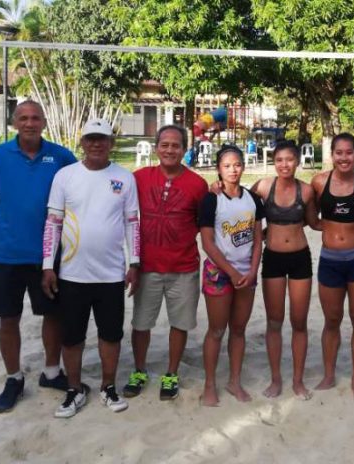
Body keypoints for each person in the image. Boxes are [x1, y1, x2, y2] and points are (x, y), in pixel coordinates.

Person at [0, 100, 76, 413]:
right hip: (6, 254)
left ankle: (51, 371)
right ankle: (14, 378)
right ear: (14, 123)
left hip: (49, 255)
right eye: (23, 118)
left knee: (53, 315)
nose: (30, 123)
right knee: (9, 319)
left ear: (44, 121)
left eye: (35, 118)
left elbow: (81, 195)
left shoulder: (60, 157)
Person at [42, 119, 140, 418]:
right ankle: (73, 390)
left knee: (111, 335)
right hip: (72, 274)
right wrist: (48, 266)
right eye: (90, 139)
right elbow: (53, 223)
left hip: (111, 274)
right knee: (72, 337)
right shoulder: (64, 176)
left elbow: (132, 223)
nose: (96, 144)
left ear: (111, 143)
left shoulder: (124, 178)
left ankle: (108, 387)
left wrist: (134, 262)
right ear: (82, 143)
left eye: (103, 139)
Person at [122, 125, 208, 400]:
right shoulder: (138, 178)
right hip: (147, 267)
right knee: (141, 323)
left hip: (183, 267)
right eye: (165, 145)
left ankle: (171, 372)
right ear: (156, 147)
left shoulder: (197, 184)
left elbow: (200, 222)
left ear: (184, 149)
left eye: (176, 145)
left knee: (179, 323)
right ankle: (139, 369)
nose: (170, 150)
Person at [250, 140, 319, 400]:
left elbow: (314, 222)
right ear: (273, 162)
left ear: (298, 162)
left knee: (299, 322)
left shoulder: (307, 190)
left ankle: (298, 381)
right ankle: (276, 379)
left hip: (300, 258)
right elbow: (241, 205)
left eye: (289, 159)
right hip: (273, 259)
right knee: (274, 322)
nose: (284, 165)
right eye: (279, 160)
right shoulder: (264, 187)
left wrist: (349, 226)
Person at [310, 133, 354, 402]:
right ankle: (328, 374)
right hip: (331, 260)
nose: (344, 157)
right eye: (339, 152)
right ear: (332, 155)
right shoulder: (318, 182)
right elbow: (311, 218)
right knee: (332, 320)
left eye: (349, 152)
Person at [199, 146, 264, 406]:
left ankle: (234, 381)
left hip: (246, 273)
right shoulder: (211, 199)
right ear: (219, 169)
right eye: (227, 165)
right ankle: (209, 384)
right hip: (220, 272)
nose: (233, 169)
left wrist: (252, 270)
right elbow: (207, 243)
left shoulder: (253, 199)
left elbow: (258, 238)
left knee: (239, 329)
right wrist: (232, 272)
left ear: (243, 166)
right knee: (216, 330)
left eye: (237, 164)